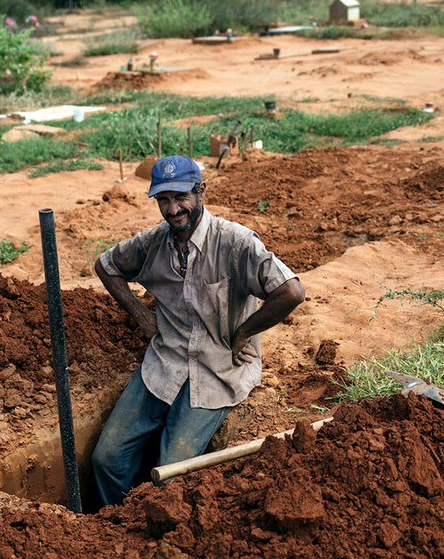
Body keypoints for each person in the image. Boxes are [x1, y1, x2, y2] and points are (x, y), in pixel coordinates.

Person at [92, 154, 306, 506]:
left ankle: (150, 535)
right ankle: (114, 527)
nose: (173, 209)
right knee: (106, 459)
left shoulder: (235, 242)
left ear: (201, 191)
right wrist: (141, 316)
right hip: (165, 362)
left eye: (181, 198)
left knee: (168, 475)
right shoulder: (153, 244)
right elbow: (106, 265)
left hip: (217, 369)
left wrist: (243, 332)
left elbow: (292, 291)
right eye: (163, 200)